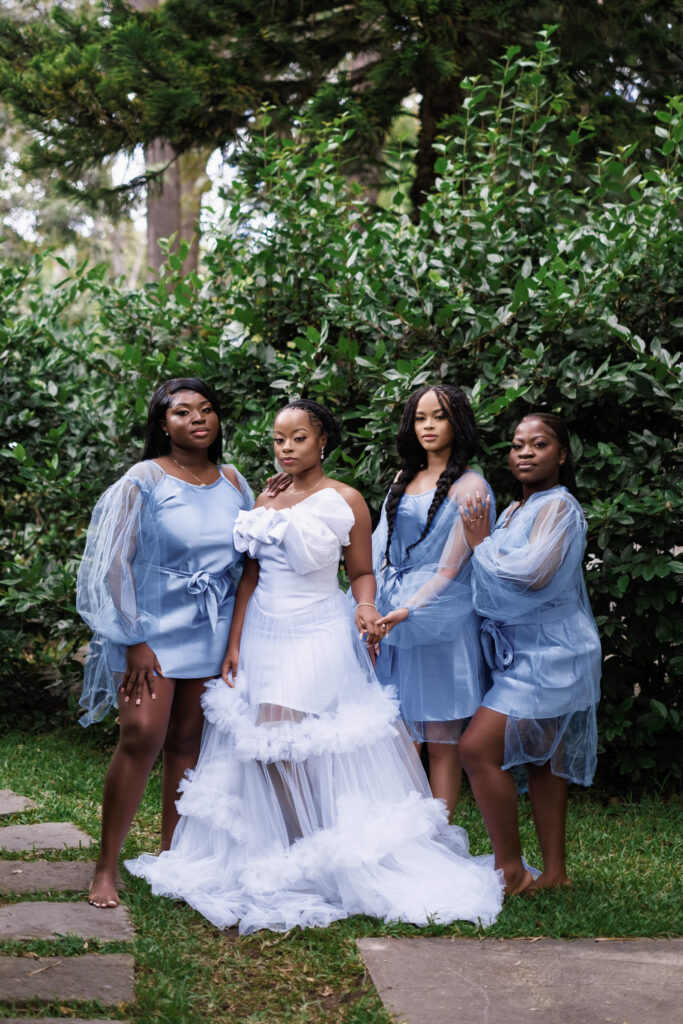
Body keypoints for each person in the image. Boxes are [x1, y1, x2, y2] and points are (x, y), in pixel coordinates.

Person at [125, 399, 504, 933]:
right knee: (263, 749)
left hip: (317, 629)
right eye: (278, 440)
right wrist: (234, 643)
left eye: (298, 438)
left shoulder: (346, 499)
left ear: (322, 441)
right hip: (263, 631)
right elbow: (249, 577)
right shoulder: (265, 497)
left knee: (279, 737)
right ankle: (291, 842)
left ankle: (311, 850)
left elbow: (363, 572)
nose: (286, 449)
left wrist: (366, 606)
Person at [76, 378, 254, 908]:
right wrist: (134, 638)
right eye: (183, 411)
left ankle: (174, 858)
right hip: (152, 628)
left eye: (206, 409)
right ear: (162, 423)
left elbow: (252, 557)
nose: (198, 418)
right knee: (141, 734)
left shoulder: (233, 480)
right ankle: (106, 866)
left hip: (212, 627)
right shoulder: (143, 479)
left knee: (188, 742)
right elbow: (114, 563)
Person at [458, 413, 601, 894]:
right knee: (544, 758)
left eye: (539, 444)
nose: (524, 452)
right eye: (517, 444)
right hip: (524, 650)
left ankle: (512, 871)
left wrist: (481, 546)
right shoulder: (514, 511)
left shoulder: (559, 506)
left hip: (553, 652)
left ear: (561, 454)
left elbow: (534, 576)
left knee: (476, 747)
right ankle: (555, 873)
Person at [371, 385, 495, 816]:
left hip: (440, 616)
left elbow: (450, 569)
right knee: (400, 736)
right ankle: (402, 829)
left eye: (439, 416)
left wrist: (408, 610)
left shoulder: (471, 486)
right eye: (420, 417)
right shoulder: (402, 477)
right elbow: (380, 548)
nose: (428, 426)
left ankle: (439, 832)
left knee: (442, 738)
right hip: (392, 611)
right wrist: (375, 605)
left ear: (457, 423)